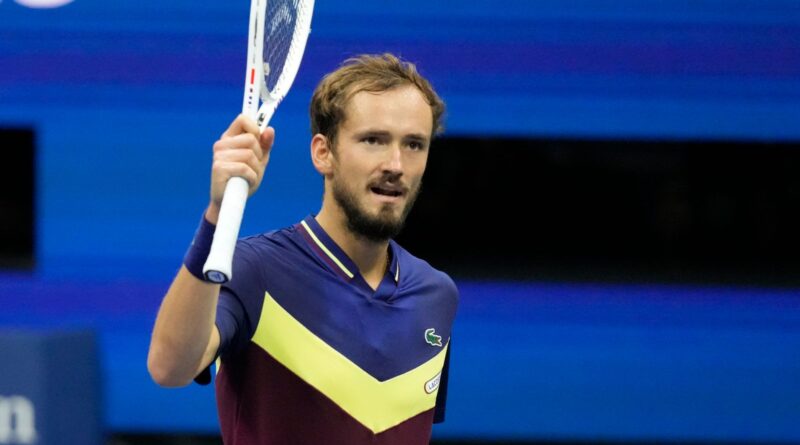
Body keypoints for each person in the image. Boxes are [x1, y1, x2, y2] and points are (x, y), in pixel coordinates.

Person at [147, 53, 459, 444]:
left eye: (414, 144)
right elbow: (169, 367)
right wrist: (216, 213)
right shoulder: (255, 271)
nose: (396, 163)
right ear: (322, 152)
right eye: (373, 140)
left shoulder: (436, 295)